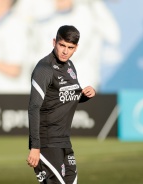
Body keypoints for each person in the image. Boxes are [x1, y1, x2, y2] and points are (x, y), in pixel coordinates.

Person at [26, 25, 96, 184]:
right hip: (47, 142)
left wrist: (86, 94)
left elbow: (68, 97)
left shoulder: (70, 66)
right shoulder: (44, 68)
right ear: (54, 42)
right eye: (62, 45)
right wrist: (35, 147)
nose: (65, 51)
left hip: (64, 141)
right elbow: (34, 107)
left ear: (76, 48)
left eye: (70, 47)